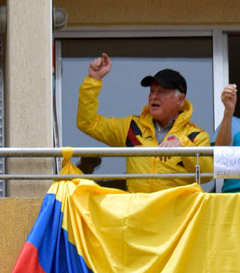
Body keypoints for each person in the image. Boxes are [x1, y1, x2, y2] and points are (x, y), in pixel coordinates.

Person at [76, 54, 212, 193]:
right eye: (152, 91)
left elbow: (207, 174)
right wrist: (94, 80)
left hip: (176, 213)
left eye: (162, 92)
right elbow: (88, 123)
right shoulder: (132, 127)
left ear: (180, 99)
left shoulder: (195, 136)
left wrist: (183, 147)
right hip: (138, 211)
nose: (154, 96)